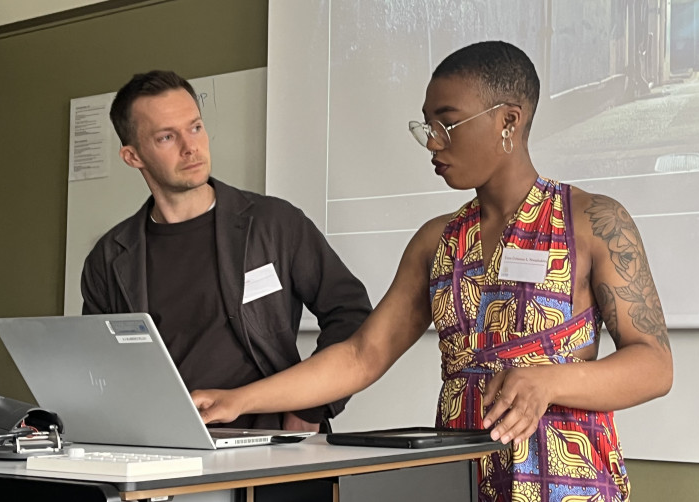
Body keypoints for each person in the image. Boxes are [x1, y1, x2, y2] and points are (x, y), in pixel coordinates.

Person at [192, 41, 673, 501]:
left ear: (508, 120)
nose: (432, 143)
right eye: (426, 126)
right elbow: (361, 355)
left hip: (565, 482)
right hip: (457, 477)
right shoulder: (436, 241)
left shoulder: (592, 221)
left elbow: (654, 365)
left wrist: (549, 382)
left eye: (448, 123)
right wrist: (239, 401)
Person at [80, 70, 372, 433]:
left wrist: (311, 408)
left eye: (195, 127)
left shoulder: (275, 223)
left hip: (272, 441)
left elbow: (351, 314)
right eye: (167, 137)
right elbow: (99, 367)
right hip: (165, 443)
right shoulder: (109, 258)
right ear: (133, 156)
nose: (190, 147)